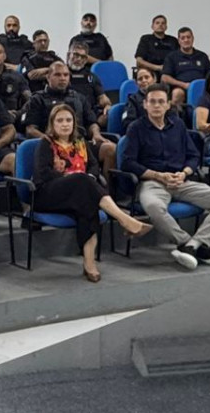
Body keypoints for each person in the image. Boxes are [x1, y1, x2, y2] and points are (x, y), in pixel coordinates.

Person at [121, 84, 210, 269]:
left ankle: (196, 244)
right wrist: (158, 175)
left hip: (181, 181)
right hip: (152, 182)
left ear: (168, 104)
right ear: (145, 104)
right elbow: (128, 162)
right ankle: (185, 242)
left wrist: (184, 173)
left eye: (161, 102)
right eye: (152, 102)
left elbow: (193, 156)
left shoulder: (178, 125)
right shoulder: (136, 128)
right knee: (153, 207)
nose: (157, 106)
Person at [33, 104, 152, 282]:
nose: (65, 124)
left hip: (78, 194)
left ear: (74, 123)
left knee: (88, 205)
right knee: (82, 181)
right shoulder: (45, 143)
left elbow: (94, 165)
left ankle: (90, 264)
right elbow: (42, 174)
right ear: (52, 123)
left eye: (68, 120)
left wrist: (87, 177)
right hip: (48, 194)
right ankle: (124, 219)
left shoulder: (80, 141)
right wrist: (71, 177)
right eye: (60, 120)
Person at [23, 61, 116, 173]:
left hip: (80, 144)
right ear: (48, 77)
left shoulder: (79, 97)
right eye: (57, 75)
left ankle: (105, 184)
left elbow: (91, 122)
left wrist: (96, 134)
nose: (62, 78)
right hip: (53, 147)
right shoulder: (37, 99)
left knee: (110, 149)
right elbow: (30, 129)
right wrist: (49, 141)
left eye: (66, 75)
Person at [161, 26, 210, 107]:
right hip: (181, 88)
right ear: (179, 41)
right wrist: (184, 85)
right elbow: (165, 77)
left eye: (188, 37)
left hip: (201, 87)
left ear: (193, 39)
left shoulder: (202, 56)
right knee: (177, 93)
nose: (186, 40)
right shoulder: (172, 57)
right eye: (183, 38)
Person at [65, 43, 111, 116]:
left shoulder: (91, 76)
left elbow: (102, 97)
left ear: (86, 59)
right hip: (66, 112)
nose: (79, 59)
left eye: (83, 57)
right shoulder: (60, 74)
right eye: (76, 55)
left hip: (89, 113)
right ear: (68, 55)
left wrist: (107, 105)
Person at [0, 41, 28, 114]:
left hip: (13, 117)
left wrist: (18, 113)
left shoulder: (16, 76)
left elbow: (29, 100)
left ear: (4, 56)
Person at [134, 14, 179, 78]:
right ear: (152, 26)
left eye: (163, 23)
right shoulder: (146, 39)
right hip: (150, 71)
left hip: (169, 72)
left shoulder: (173, 40)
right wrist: (157, 67)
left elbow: (179, 58)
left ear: (166, 27)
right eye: (157, 23)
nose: (160, 25)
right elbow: (139, 60)